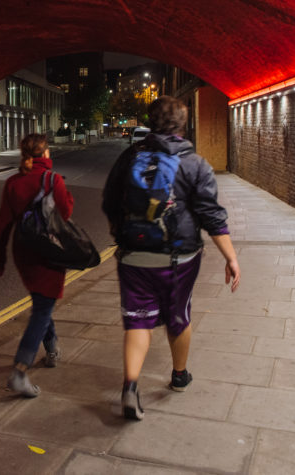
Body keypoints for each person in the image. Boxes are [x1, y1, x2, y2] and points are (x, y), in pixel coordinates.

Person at [102, 96, 240, 420]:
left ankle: (131, 387)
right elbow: (211, 215)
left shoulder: (128, 158)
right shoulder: (195, 164)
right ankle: (179, 376)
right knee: (179, 314)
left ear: (150, 122)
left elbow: (109, 202)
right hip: (179, 259)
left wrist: (123, 236)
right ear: (182, 124)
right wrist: (231, 257)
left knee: (138, 320)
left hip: (134, 258)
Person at [0, 132, 74, 397]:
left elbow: (4, 223)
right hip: (48, 250)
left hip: (23, 252)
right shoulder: (53, 180)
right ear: (46, 153)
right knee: (42, 309)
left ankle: (51, 349)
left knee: (42, 301)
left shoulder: (13, 182)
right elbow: (66, 212)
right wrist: (65, 195)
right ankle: (19, 371)